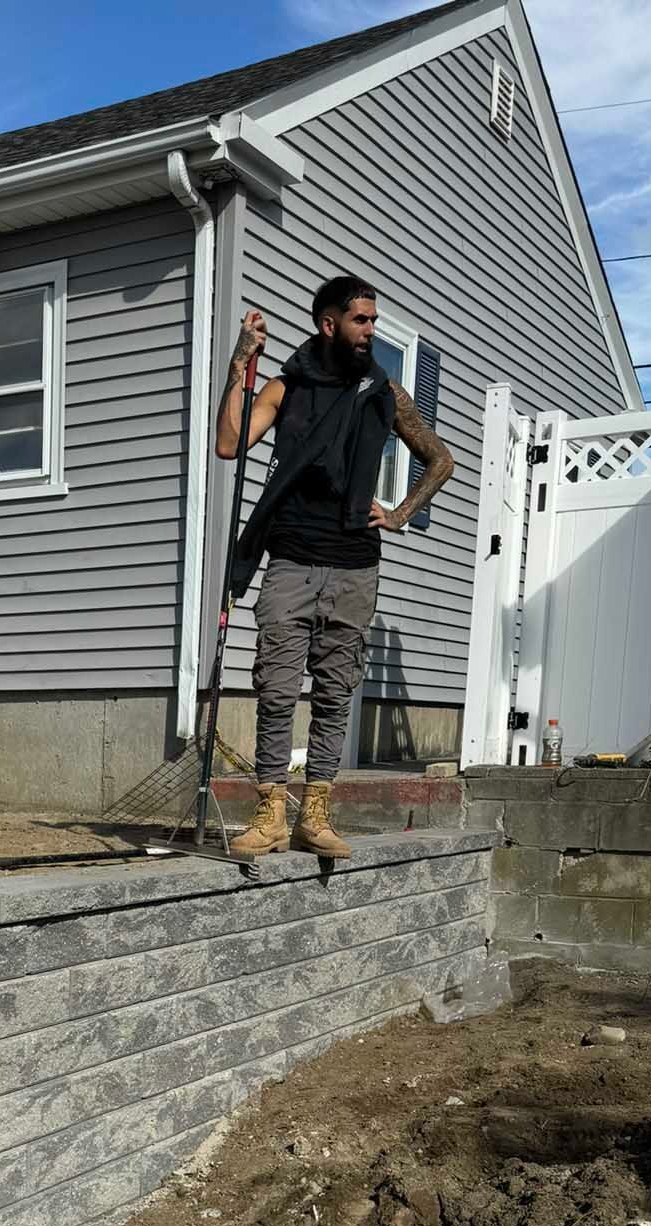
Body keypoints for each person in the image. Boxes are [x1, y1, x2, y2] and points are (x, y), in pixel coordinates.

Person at [215, 276, 453, 859]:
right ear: (330, 324)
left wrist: (399, 514)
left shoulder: (384, 393)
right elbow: (229, 444)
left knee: (334, 691)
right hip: (292, 556)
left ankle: (315, 811)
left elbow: (440, 460)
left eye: (373, 320)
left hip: (354, 563)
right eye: (362, 321)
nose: (371, 330)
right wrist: (238, 365)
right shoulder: (286, 386)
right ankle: (270, 809)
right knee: (275, 685)